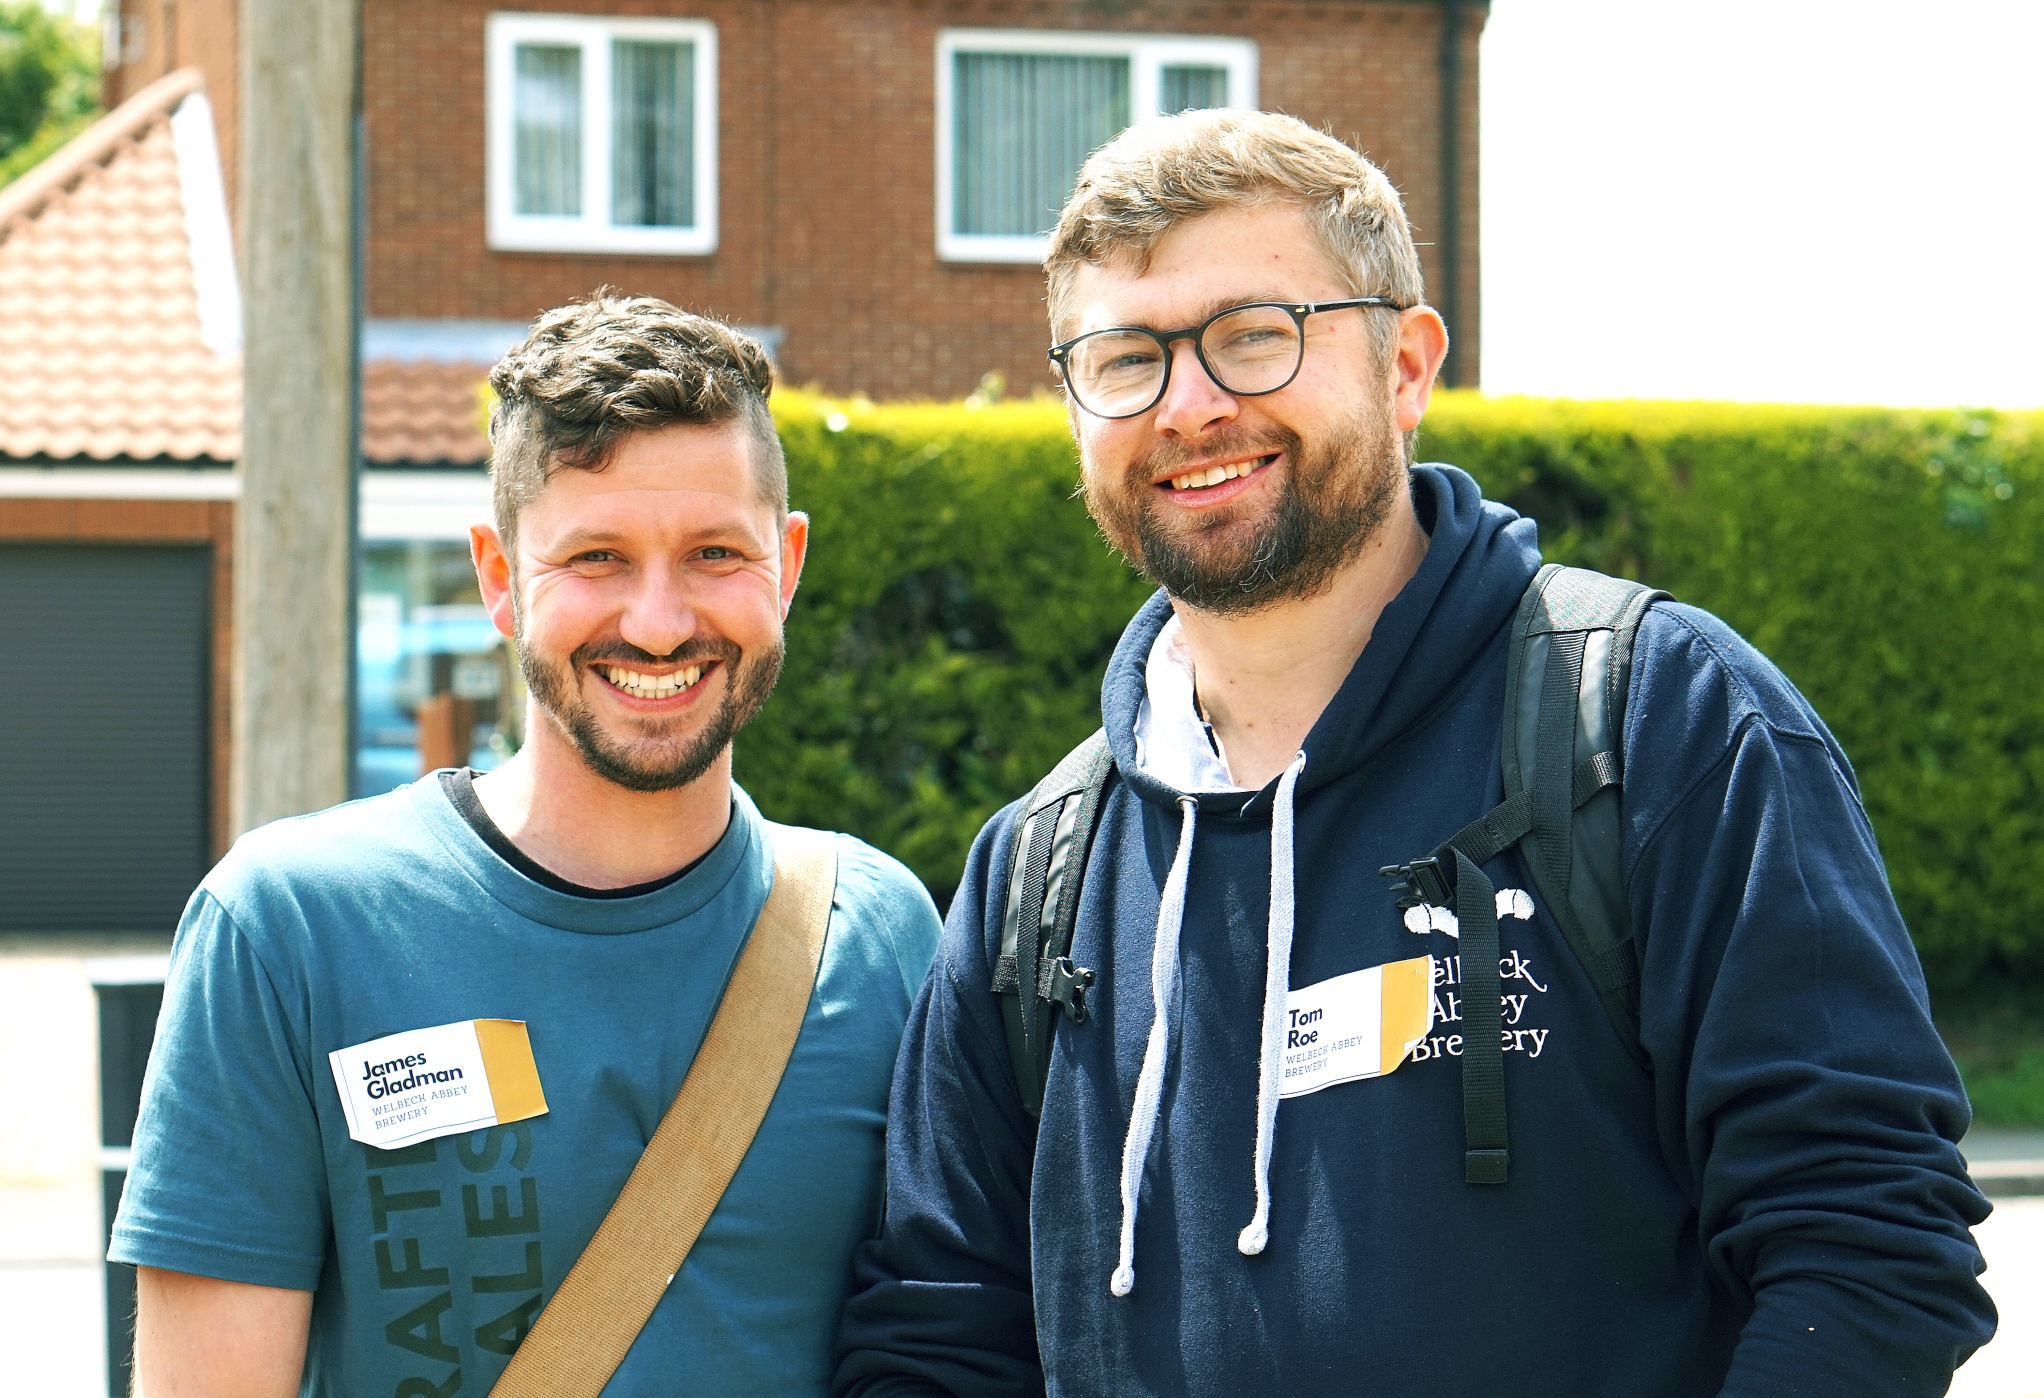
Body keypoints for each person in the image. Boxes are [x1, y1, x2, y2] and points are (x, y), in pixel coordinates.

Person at [833, 111, 1995, 1397]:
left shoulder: (1651, 721)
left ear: (1405, 365)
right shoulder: (1037, 869)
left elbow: (1864, 1247)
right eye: (1124, 359)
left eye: (1254, 335)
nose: (1189, 405)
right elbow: (937, 1334)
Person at [112, 294, 942, 1396]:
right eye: (595, 557)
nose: (658, 622)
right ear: (500, 577)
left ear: (785, 565)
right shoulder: (291, 928)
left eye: (714, 553)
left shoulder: (879, 933)